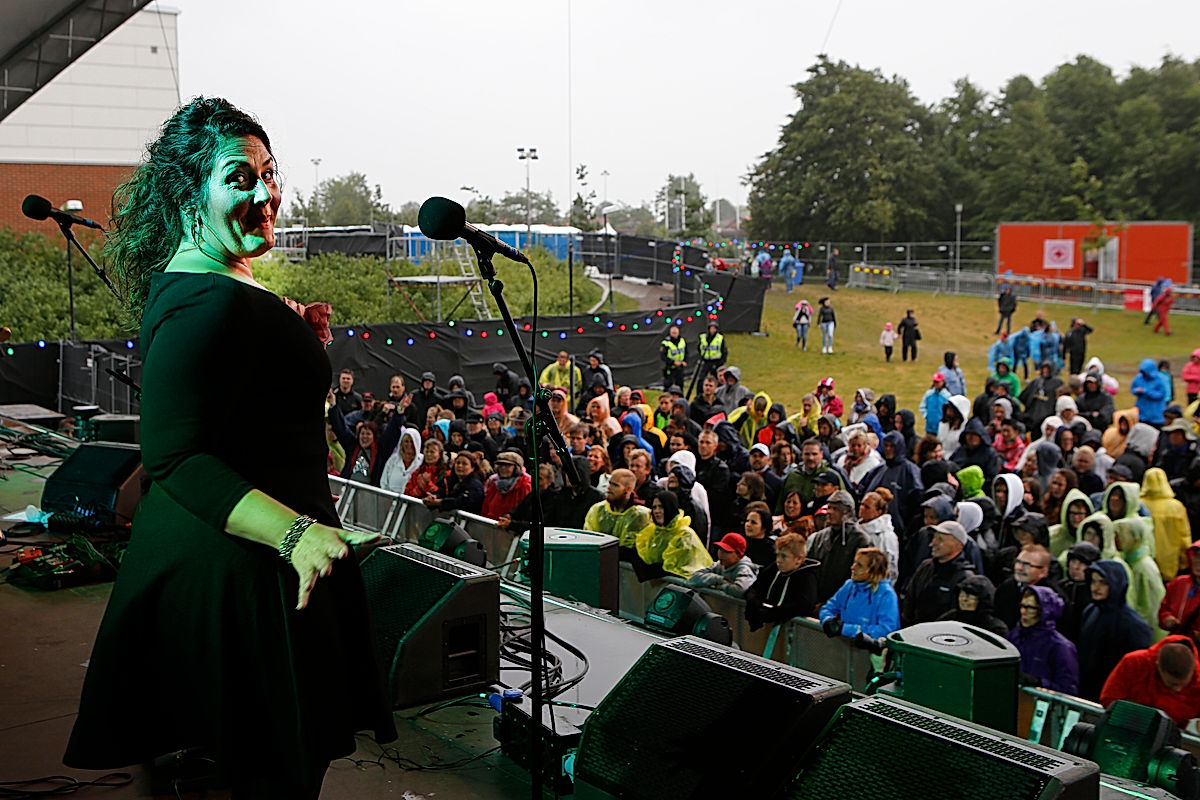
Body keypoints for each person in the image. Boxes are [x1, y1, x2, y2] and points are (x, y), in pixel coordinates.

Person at [63, 97, 395, 798]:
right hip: (245, 572)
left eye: (269, 174)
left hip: (245, 562)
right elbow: (177, 455)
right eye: (238, 179)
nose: (264, 193)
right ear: (189, 194)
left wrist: (292, 338)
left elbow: (240, 409)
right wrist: (297, 535)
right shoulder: (205, 303)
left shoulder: (218, 283)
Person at [1077, 559, 1153, 700]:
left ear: (1116, 584)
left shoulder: (1134, 625)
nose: (1095, 588)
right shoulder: (1090, 611)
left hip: (1114, 695)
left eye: (1103, 583)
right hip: (1086, 691)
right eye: (1093, 582)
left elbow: (1137, 672)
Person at [1101, 636, 1200, 729]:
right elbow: (1110, 700)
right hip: (1126, 729)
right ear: (1158, 666)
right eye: (1173, 684)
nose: (1178, 689)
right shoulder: (1134, 663)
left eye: (1184, 685)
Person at [818, 547, 901, 645]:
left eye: (859, 565)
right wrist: (828, 620)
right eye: (854, 562)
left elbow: (886, 629)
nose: (853, 567)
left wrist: (845, 629)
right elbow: (828, 608)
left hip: (870, 655)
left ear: (872, 571)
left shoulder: (886, 594)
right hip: (844, 649)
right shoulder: (849, 586)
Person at [1007, 586, 1079, 695]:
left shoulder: (1060, 646)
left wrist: (1039, 683)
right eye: (1022, 606)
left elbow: (1068, 690)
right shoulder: (1013, 637)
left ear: (1044, 611)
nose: (1023, 612)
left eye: (1031, 608)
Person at [902, 520, 977, 626]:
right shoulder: (925, 566)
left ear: (958, 545)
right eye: (934, 538)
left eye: (940, 539)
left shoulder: (965, 577)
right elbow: (909, 599)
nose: (933, 543)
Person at [745, 533, 821, 631]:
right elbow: (756, 587)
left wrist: (772, 613)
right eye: (777, 555)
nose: (778, 560)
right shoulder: (774, 568)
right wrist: (754, 604)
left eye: (784, 557)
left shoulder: (807, 578)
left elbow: (803, 606)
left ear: (798, 559)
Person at [807, 490, 871, 606]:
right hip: (815, 601)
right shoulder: (819, 537)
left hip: (843, 605)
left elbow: (858, 578)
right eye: (829, 507)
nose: (829, 512)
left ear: (848, 512)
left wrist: (835, 603)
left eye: (835, 509)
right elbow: (810, 570)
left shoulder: (861, 540)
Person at [633, 490, 710, 580]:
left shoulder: (684, 534)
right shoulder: (652, 531)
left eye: (661, 507)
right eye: (654, 507)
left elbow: (673, 568)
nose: (657, 511)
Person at [584, 468, 653, 556]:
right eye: (610, 483)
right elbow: (589, 537)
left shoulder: (640, 515)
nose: (609, 488)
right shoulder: (598, 509)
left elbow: (630, 548)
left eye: (615, 485)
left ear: (628, 489)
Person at [687, 532, 759, 597]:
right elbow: (693, 579)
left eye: (727, 551)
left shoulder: (744, 569)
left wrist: (718, 587)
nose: (721, 554)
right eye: (720, 549)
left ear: (739, 555)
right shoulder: (719, 565)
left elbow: (739, 590)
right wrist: (719, 579)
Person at [937, 575, 1009, 636]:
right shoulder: (948, 620)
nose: (964, 599)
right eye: (962, 594)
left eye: (970, 596)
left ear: (983, 599)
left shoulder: (995, 629)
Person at [1160, 542, 1200, 643]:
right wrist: (1167, 619)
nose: (1198, 561)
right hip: (1177, 646)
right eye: (1197, 556)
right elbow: (1164, 609)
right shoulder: (1178, 583)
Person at [480, 450, 532, 521]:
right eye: (500, 465)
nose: (503, 468)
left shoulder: (525, 485)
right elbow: (485, 508)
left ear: (516, 467)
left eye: (507, 465)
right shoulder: (495, 484)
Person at [1132, 358, 1169, 427]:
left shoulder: (1160, 379)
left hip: (1156, 414)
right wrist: (1137, 391)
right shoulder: (1139, 378)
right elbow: (1133, 389)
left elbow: (1161, 394)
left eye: (1145, 372)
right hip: (1142, 413)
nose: (1143, 374)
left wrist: (1146, 391)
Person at [659, 324, 688, 389]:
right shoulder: (666, 343)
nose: (674, 334)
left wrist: (685, 361)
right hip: (670, 367)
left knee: (680, 384)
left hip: (680, 367)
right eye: (673, 333)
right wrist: (673, 362)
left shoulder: (682, 341)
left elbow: (686, 352)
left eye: (675, 333)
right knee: (668, 385)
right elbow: (663, 356)